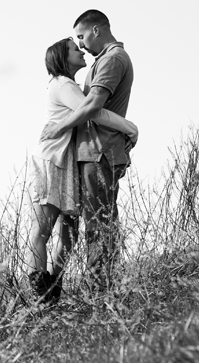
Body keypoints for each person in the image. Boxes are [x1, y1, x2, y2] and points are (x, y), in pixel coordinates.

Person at [26, 36, 137, 304]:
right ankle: (38, 292)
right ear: (63, 58)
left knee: (70, 231)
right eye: (75, 49)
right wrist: (129, 127)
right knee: (42, 228)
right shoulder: (63, 84)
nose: (81, 50)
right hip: (52, 161)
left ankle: (52, 287)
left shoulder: (70, 85)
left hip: (67, 163)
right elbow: (93, 111)